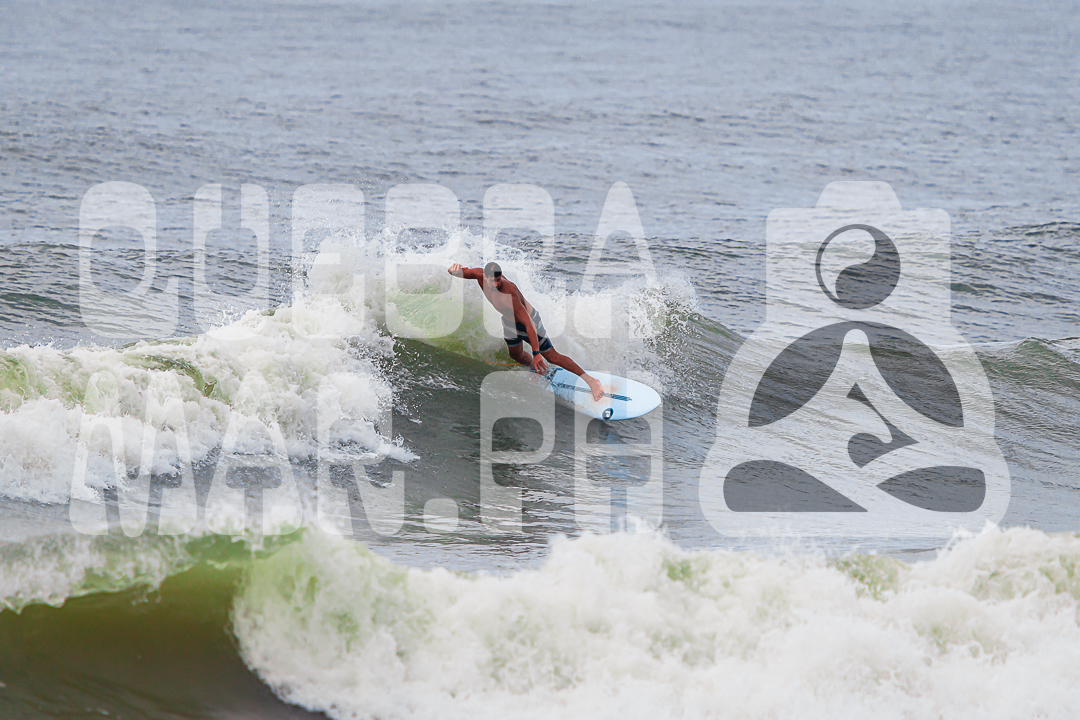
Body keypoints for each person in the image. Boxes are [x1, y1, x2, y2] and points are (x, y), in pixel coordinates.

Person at [447, 261, 604, 401]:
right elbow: (457, 272)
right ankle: (537, 369)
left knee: (552, 356)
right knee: (516, 355)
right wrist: (453, 270)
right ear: (484, 276)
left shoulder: (509, 292)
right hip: (509, 323)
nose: (495, 284)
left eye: (498, 280)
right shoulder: (478, 274)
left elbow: (529, 324)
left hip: (530, 321)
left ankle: (591, 381)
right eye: (491, 280)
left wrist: (536, 353)